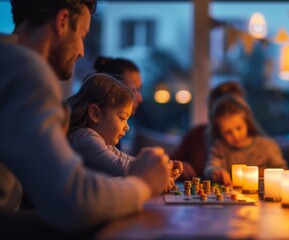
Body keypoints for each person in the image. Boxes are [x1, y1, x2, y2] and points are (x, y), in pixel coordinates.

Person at [0, 0, 174, 233]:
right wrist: (143, 184)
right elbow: (72, 200)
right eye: (82, 33)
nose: (82, 51)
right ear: (62, 21)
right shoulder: (25, 69)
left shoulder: (7, 62)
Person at [67, 73, 181, 185]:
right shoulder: (85, 138)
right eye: (122, 117)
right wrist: (156, 172)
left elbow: (131, 161)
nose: (127, 126)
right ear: (95, 114)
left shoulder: (105, 144)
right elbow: (120, 166)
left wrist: (164, 165)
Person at [204, 94, 287, 185]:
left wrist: (262, 174)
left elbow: (283, 170)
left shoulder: (266, 146)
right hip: (232, 197)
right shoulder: (220, 147)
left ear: (247, 123)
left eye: (239, 128)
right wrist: (216, 172)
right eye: (228, 132)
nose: (235, 135)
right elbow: (211, 166)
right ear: (219, 132)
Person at [171, 81, 245, 179]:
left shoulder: (255, 143)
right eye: (215, 109)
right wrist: (179, 166)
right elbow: (167, 164)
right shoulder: (196, 134)